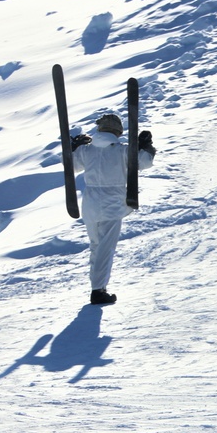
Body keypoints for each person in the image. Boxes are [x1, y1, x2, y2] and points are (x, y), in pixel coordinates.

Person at [70, 113, 155, 305]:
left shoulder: (87, 150)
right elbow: (144, 163)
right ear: (118, 132)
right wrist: (146, 147)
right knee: (105, 248)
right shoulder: (121, 150)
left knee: (96, 245)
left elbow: (71, 165)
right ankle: (98, 290)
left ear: (100, 129)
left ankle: (97, 286)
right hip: (112, 203)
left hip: (90, 202)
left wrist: (73, 148)